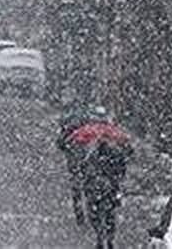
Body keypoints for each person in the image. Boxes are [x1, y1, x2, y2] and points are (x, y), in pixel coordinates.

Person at [58, 106, 132, 249]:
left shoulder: (86, 144)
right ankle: (109, 238)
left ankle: (99, 235)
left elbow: (67, 147)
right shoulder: (115, 144)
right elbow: (126, 156)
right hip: (110, 186)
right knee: (110, 213)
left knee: (95, 211)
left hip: (94, 185)